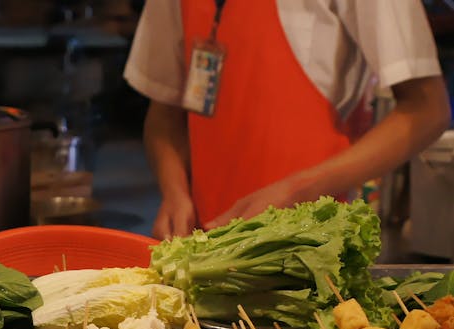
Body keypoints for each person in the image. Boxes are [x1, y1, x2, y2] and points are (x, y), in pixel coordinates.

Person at [124, 0, 452, 239]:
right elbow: (164, 115)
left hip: (314, 248)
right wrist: (174, 191)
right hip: (206, 249)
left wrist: (298, 190)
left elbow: (427, 110)